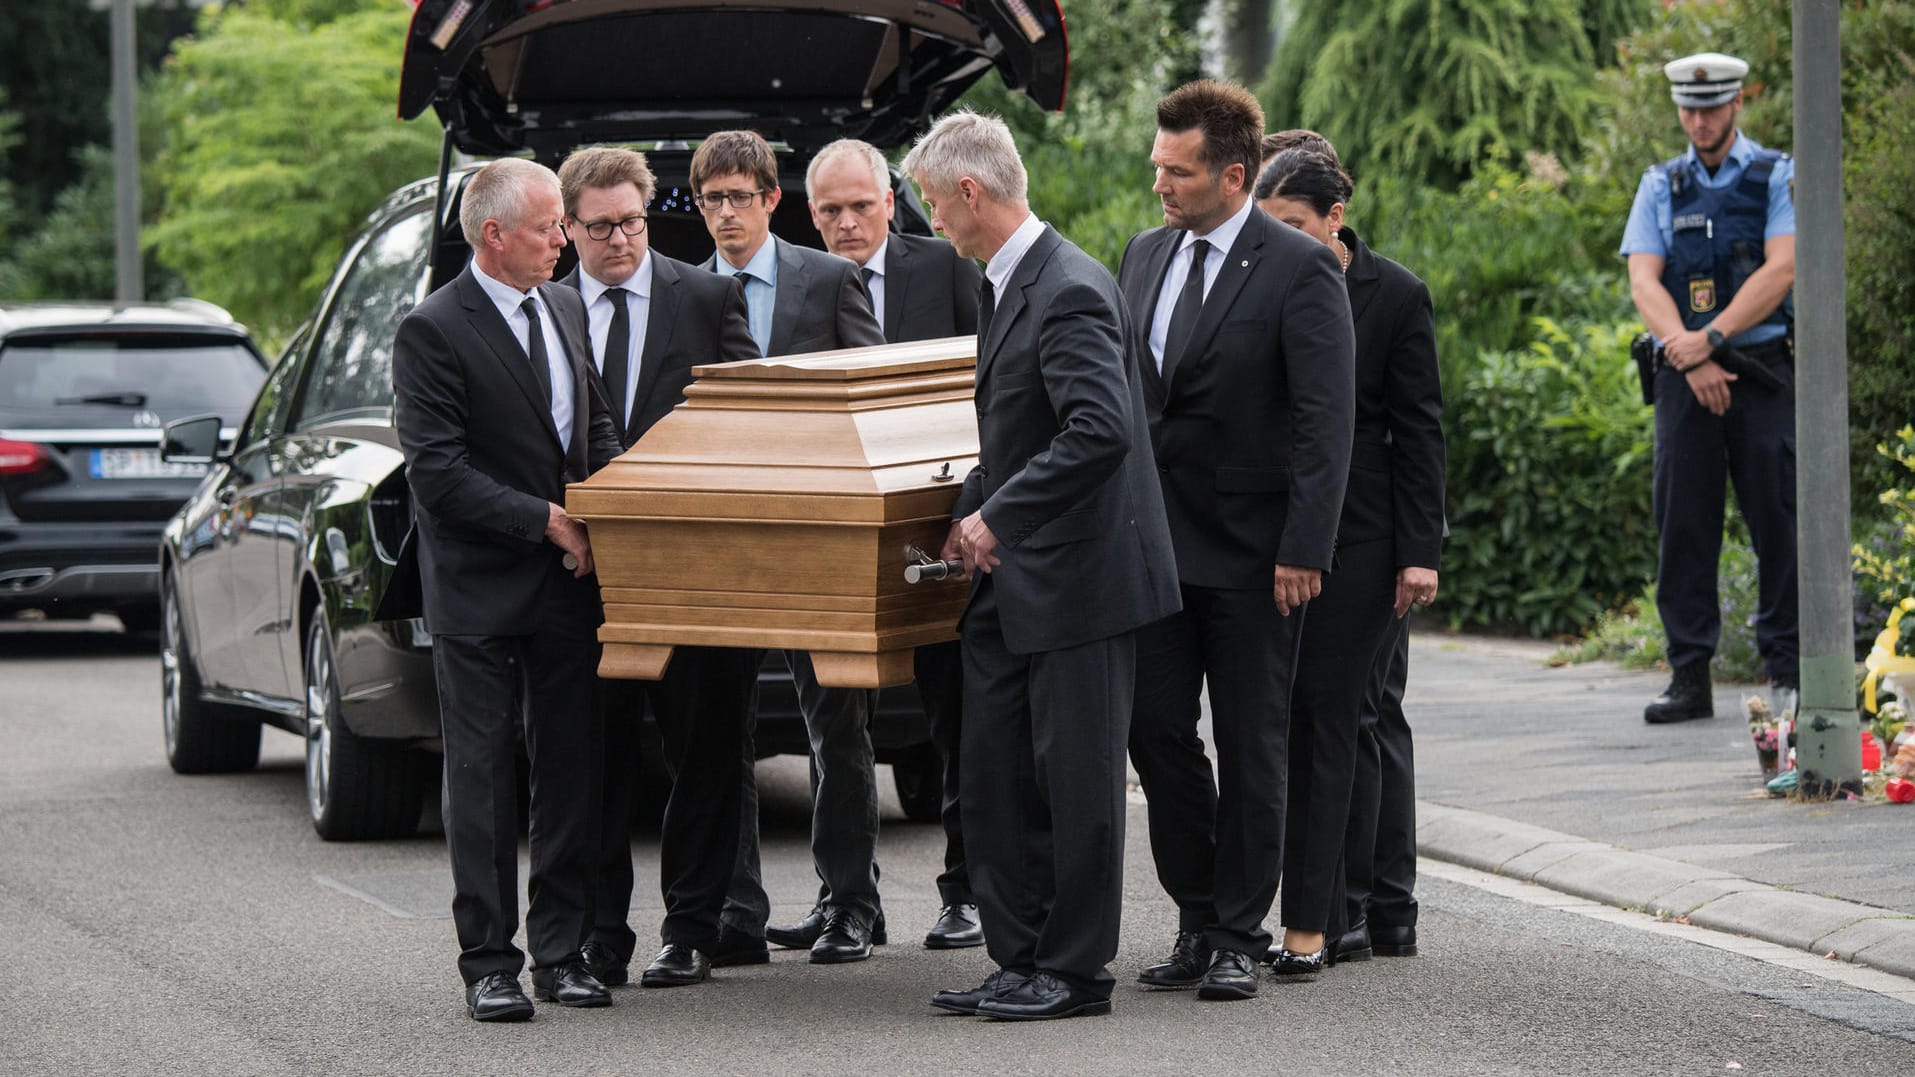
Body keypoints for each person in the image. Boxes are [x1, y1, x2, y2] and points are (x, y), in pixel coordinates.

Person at [903, 109, 1181, 1021]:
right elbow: (1014, 432)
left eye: (937, 208)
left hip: (1080, 583)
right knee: (996, 776)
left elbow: (1100, 430)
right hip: (1016, 578)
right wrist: (961, 516)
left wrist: (996, 516)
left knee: (1075, 787)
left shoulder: (1066, 286)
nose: (935, 224)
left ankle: (1073, 970)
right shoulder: (1003, 283)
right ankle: (1018, 956)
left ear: (972, 193)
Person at [1116, 80, 1355, 1001]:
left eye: (1176, 172)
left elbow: (1323, 423)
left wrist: (1305, 545)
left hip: (1261, 556)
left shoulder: (1298, 266)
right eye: (1156, 168)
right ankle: (1195, 908)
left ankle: (1232, 931)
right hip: (1158, 549)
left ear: (1234, 174)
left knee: (1253, 742)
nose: (1160, 185)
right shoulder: (1142, 255)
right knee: (1154, 730)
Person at [389, 156, 624, 1021]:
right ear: (493, 235)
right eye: (549, 227)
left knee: (570, 770)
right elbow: (438, 474)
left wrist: (609, 505)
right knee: (484, 777)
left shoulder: (562, 304)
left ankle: (560, 953)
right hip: (481, 588)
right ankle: (489, 959)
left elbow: (590, 421)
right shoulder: (432, 329)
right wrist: (549, 521)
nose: (567, 240)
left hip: (568, 585)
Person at [554, 146, 763, 991]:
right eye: (599, 226)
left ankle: (691, 929)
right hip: (586, 576)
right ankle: (603, 933)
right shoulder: (549, 308)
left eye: (632, 221)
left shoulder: (708, 296)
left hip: (697, 568)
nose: (619, 240)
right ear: (567, 228)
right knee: (595, 759)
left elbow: (750, 421)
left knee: (707, 749)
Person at [690, 128, 892, 966]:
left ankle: (849, 902)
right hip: (723, 546)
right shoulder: (682, 291)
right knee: (716, 729)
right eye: (712, 199)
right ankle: (736, 908)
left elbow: (876, 399)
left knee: (835, 723)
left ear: (774, 201)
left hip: (820, 538)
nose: (727, 212)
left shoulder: (832, 278)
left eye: (742, 196)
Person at [1254, 146, 1445, 975]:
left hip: (1368, 538)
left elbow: (1420, 430)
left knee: (1346, 712)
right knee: (1317, 717)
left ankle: (1352, 910)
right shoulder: (1265, 282)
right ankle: (1347, 908)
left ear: (1334, 218)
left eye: (1293, 225)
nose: (1280, 241)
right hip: (1286, 529)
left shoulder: (1394, 293)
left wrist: (1419, 552)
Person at [802, 136, 985, 951]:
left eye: (859, 206)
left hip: (941, 534)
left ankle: (968, 890)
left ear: (890, 200)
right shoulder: (796, 286)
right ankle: (848, 900)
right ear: (810, 214)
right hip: (834, 545)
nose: (845, 223)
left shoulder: (946, 269)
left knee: (957, 714)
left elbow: (992, 389)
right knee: (833, 723)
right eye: (829, 210)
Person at [1621, 52, 1798, 724]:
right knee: (1683, 524)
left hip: (1758, 372)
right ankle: (1687, 674)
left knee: (1776, 520)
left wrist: (1712, 339)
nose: (1698, 120)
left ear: (1735, 106)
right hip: (1683, 376)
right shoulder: (1660, 185)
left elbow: (1779, 270)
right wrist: (1688, 357)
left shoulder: (1773, 174)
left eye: (1710, 107)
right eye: (1688, 109)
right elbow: (1644, 280)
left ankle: (1786, 670)